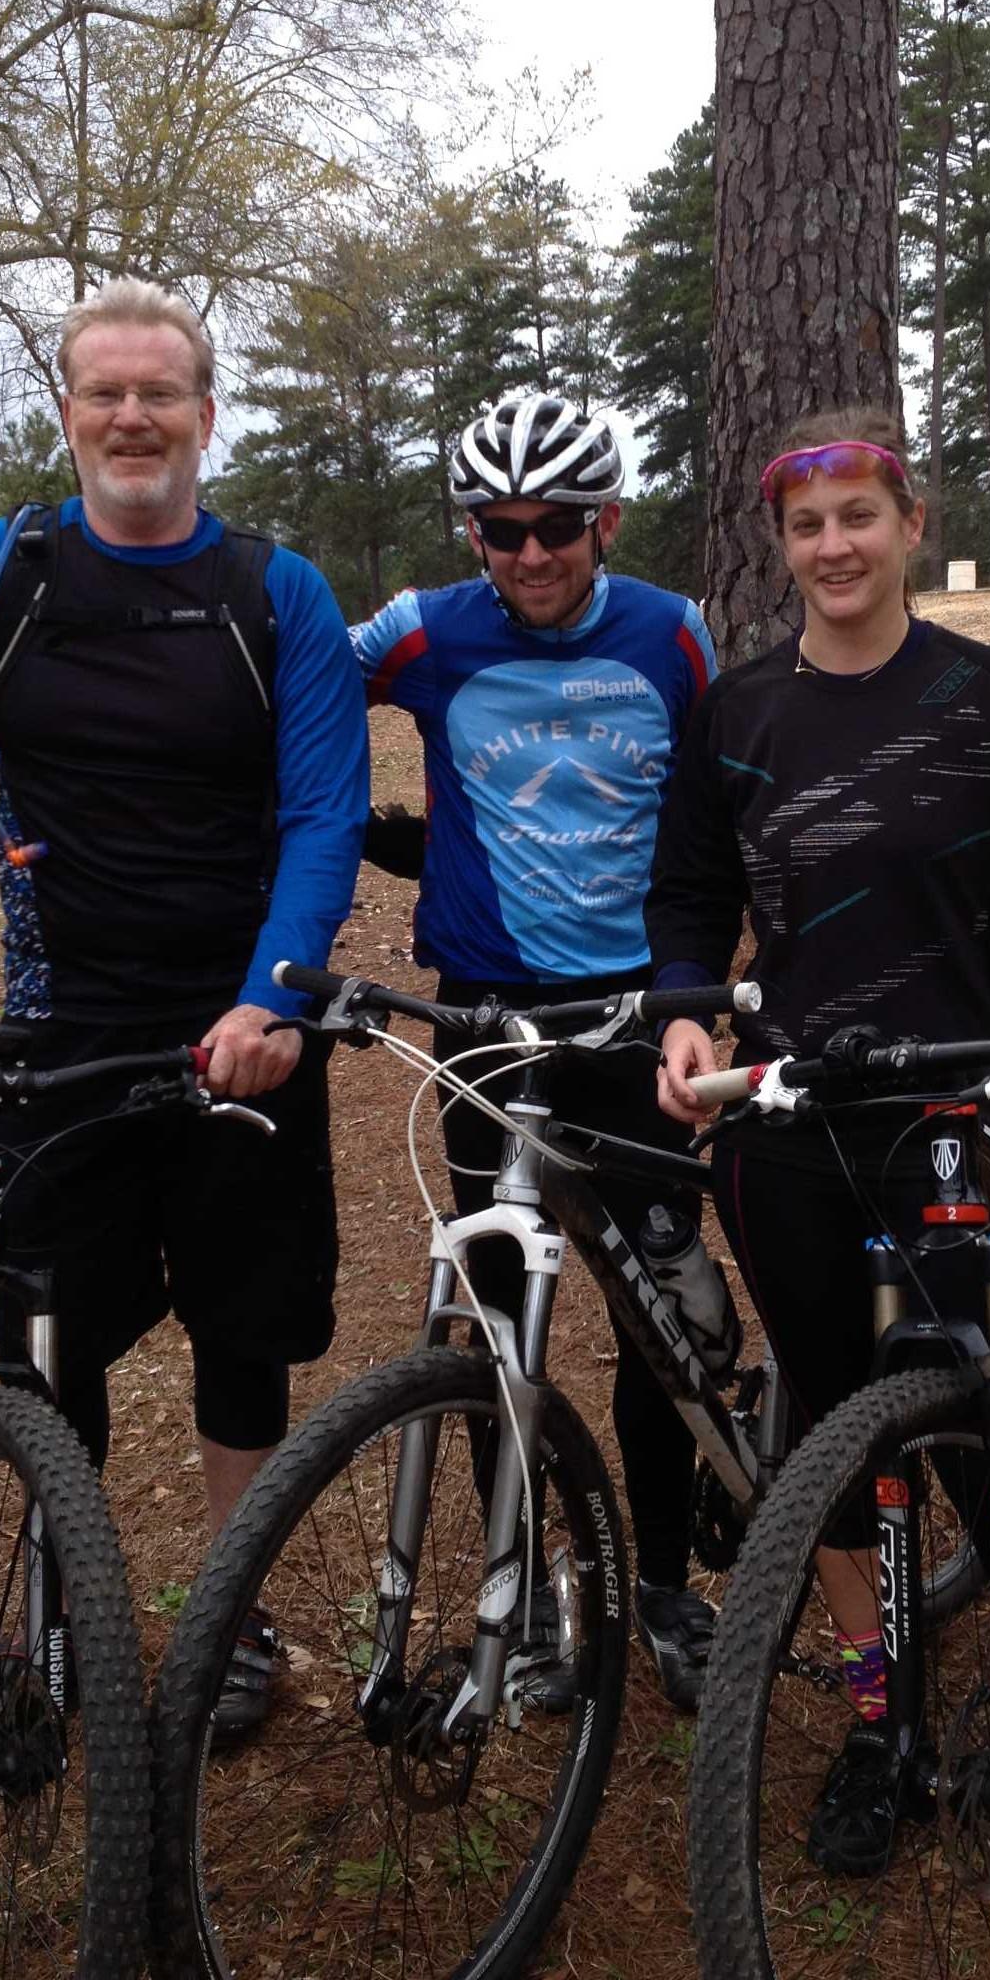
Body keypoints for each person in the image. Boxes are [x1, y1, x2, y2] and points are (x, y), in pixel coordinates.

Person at [0, 278, 368, 1735]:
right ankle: (60, 1617)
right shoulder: (1, 575)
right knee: (51, 1336)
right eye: (103, 392)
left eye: (158, 392)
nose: (131, 416)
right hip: (62, 1027)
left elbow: (322, 814)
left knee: (245, 1332)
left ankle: (231, 1622)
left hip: (243, 1029)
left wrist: (276, 997)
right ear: (67, 411)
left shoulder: (273, 592)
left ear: (204, 414)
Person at [647, 404, 990, 1875]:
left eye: (859, 516)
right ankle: (882, 1716)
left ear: (910, 523)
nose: (834, 546)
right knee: (825, 1425)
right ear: (781, 544)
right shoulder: (737, 716)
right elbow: (686, 900)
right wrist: (687, 1019)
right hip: (795, 1113)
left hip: (967, 1100)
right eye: (806, 526)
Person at [352, 391, 723, 1712]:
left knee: (650, 1323)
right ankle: (534, 1587)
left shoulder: (673, 635)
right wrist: (364, 824)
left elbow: (722, 801)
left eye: (555, 525)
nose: (525, 553)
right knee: (499, 1328)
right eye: (497, 529)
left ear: (605, 518)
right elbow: (295, 704)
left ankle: (670, 1591)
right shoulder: (424, 631)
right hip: (486, 1015)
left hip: (633, 1010)